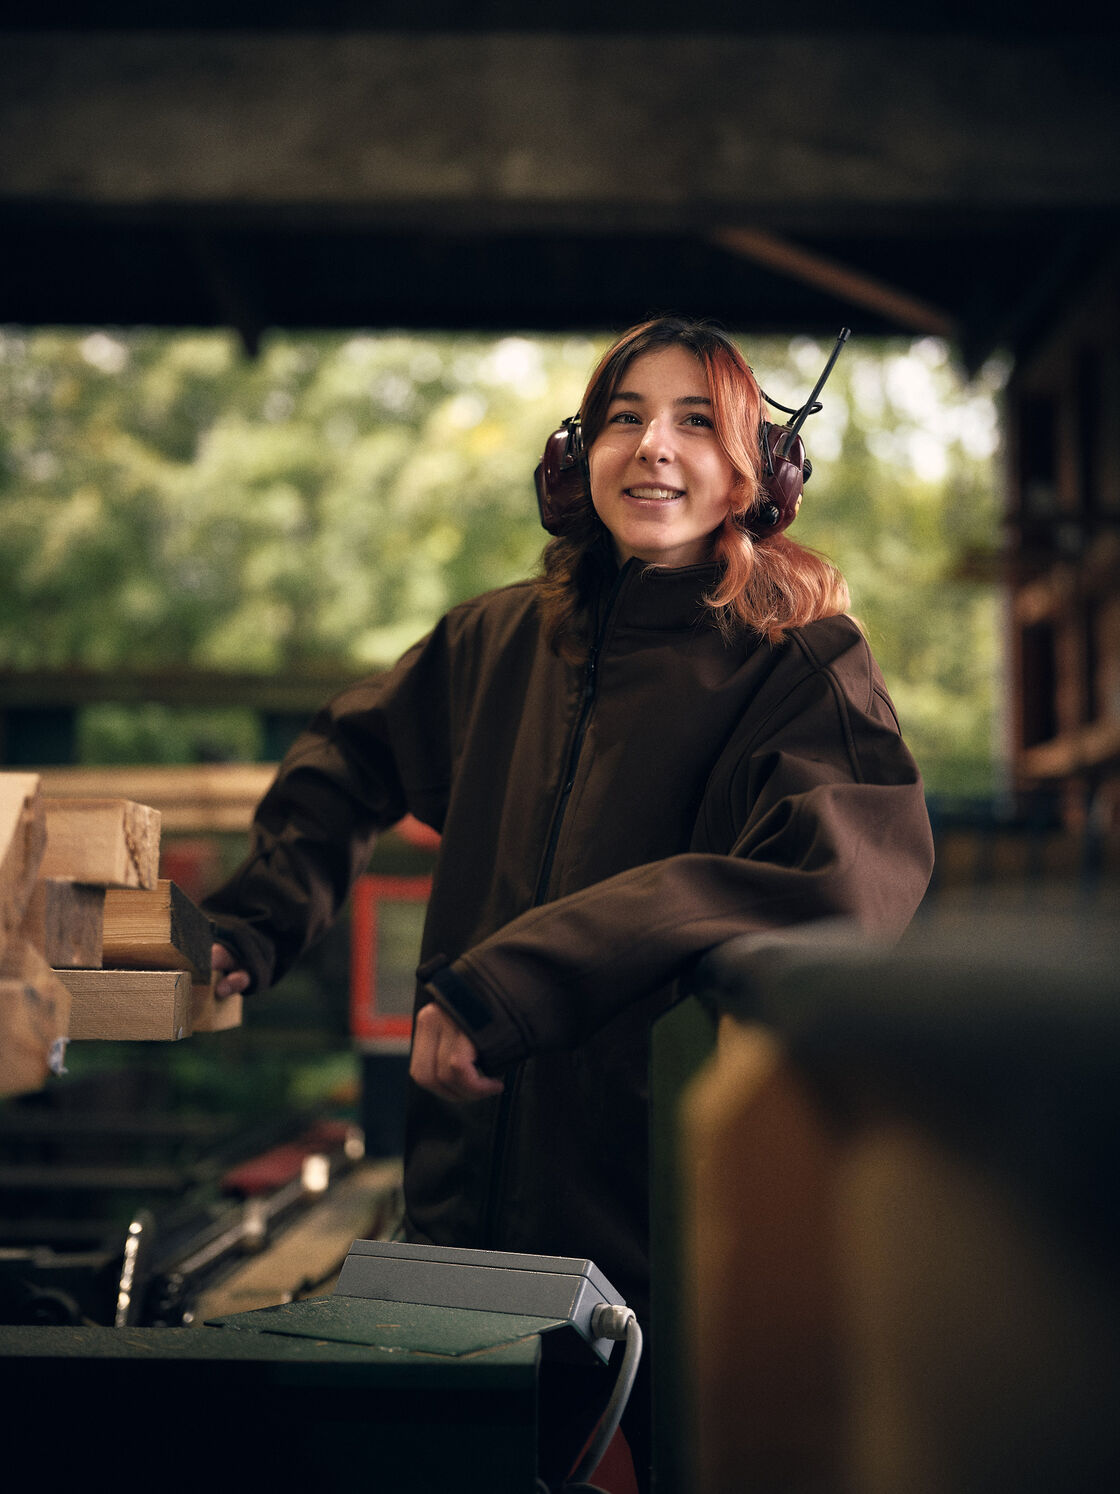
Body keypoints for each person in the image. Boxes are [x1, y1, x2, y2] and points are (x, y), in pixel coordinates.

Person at [204, 316, 935, 1489]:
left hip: (652, 1233)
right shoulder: (496, 640)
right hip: (458, 1211)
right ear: (574, 455)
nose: (654, 447)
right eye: (624, 418)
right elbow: (346, 759)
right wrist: (253, 921)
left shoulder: (801, 667)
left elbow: (837, 888)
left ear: (761, 469)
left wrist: (517, 982)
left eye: (697, 420)